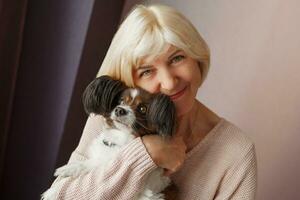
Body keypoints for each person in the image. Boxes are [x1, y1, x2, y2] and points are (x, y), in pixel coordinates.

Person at [46, 4, 257, 199]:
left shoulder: (236, 152)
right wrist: (145, 155)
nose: (169, 82)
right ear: (129, 79)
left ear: (197, 59)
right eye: (147, 71)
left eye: (177, 58)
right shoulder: (111, 117)